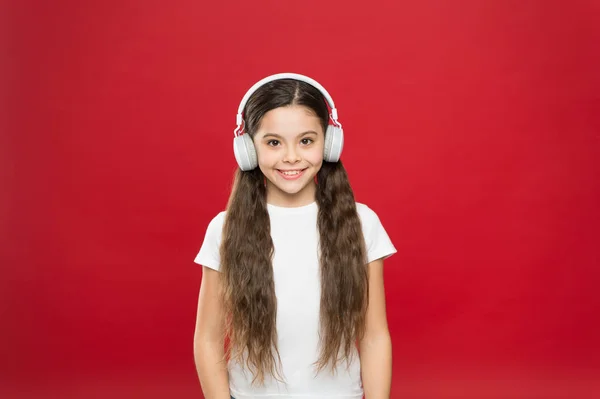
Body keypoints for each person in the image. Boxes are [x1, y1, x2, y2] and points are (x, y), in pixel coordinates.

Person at [193, 73, 396, 399]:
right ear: (247, 149)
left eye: (306, 141)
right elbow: (208, 338)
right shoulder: (224, 228)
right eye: (274, 142)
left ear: (329, 144)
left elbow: (374, 336)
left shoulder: (362, 223)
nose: (291, 157)